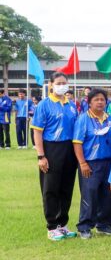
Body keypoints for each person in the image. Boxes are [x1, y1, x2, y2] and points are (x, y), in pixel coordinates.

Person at [31, 73, 79, 241]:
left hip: (69, 149)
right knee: (51, 188)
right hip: (51, 148)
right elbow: (37, 132)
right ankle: (52, 226)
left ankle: (63, 224)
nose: (62, 86)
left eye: (64, 83)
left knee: (66, 188)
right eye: (58, 83)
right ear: (51, 85)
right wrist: (41, 156)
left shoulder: (71, 105)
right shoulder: (44, 105)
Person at [72, 88, 111, 238]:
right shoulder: (83, 119)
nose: (99, 102)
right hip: (90, 163)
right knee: (89, 195)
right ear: (89, 102)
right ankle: (84, 227)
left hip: (109, 162)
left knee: (108, 194)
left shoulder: (110, 119)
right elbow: (77, 143)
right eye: (96, 99)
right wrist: (83, 163)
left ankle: (104, 225)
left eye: (102, 99)